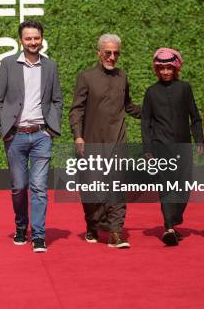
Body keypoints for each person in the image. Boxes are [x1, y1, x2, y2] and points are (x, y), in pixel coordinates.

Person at [0, 20, 63, 253]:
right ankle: (21, 226)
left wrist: (51, 129)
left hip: (41, 135)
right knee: (19, 187)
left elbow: (57, 100)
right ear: (21, 41)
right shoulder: (8, 64)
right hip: (16, 136)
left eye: (36, 38)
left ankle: (39, 235)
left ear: (42, 39)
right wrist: (4, 130)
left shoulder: (50, 66)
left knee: (40, 187)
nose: (33, 42)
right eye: (28, 38)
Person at [69, 33, 140, 249]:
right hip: (91, 141)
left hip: (117, 140)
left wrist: (154, 111)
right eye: (108, 53)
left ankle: (115, 232)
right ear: (99, 52)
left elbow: (128, 106)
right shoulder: (86, 77)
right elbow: (76, 110)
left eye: (116, 53)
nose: (112, 57)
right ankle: (93, 224)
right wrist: (78, 136)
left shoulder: (122, 76)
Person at [141, 48, 203, 246]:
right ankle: (168, 226)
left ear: (176, 68)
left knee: (184, 188)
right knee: (166, 186)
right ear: (157, 70)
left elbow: (195, 117)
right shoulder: (151, 92)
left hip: (184, 147)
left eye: (169, 68)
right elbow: (146, 123)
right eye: (162, 68)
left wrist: (199, 140)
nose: (165, 72)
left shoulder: (185, 88)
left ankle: (174, 220)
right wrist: (148, 149)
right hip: (161, 147)